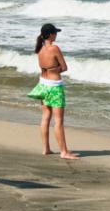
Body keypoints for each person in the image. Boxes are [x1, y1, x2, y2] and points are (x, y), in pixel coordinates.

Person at [27, 23, 79, 160]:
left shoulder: (40, 49)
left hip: (43, 84)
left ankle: (46, 148)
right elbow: (64, 67)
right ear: (50, 34)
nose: (56, 35)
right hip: (55, 86)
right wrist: (57, 70)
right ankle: (64, 152)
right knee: (58, 121)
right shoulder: (54, 48)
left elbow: (44, 67)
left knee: (45, 117)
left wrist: (52, 69)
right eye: (55, 33)